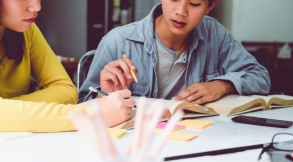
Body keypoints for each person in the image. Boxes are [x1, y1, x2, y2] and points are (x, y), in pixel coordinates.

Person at [78, 0, 271, 104]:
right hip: (135, 149)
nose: (181, 11)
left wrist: (221, 86)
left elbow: (260, 76)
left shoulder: (216, 35)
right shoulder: (118, 41)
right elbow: (82, 104)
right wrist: (104, 96)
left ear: (210, 6)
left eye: (194, 3)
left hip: (195, 141)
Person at [0, 0, 135, 132]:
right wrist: (90, 116)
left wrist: (11, 111)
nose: (37, 6)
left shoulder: (26, 32)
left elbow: (66, 91)